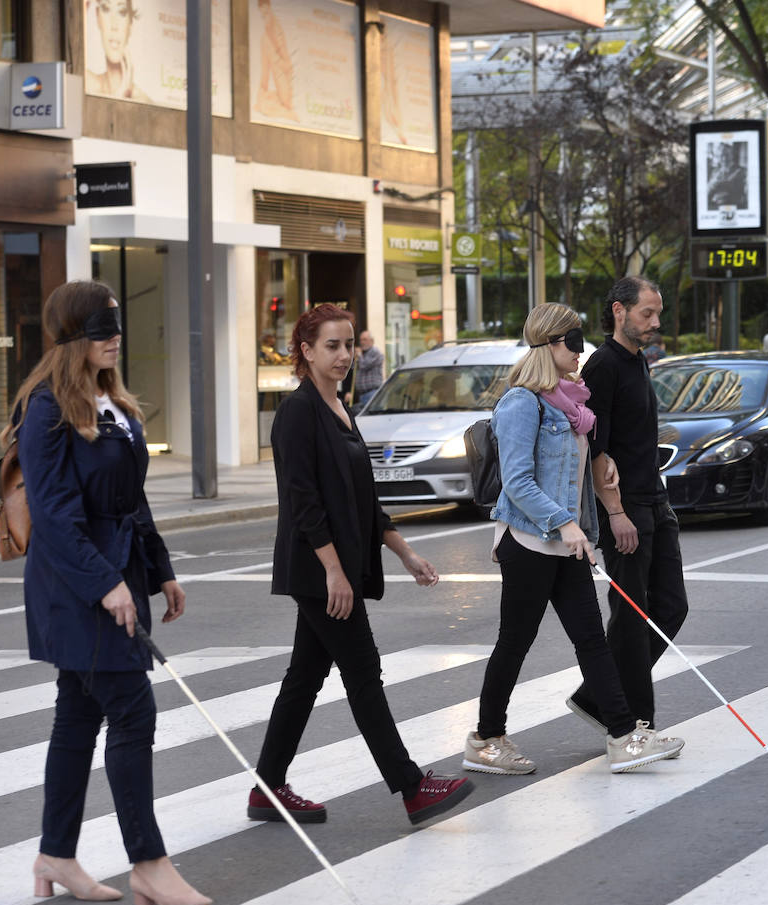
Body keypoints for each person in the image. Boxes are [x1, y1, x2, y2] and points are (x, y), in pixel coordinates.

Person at [9, 280, 209, 905]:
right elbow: (55, 513)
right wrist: (106, 584)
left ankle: (55, 855)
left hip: (117, 576)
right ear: (74, 336)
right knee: (131, 711)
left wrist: (161, 570)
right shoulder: (46, 407)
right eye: (102, 328)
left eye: (116, 325)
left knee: (78, 716)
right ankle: (148, 864)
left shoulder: (113, 403)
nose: (115, 336)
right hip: (76, 586)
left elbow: (132, 500)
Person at [249, 304, 474, 826]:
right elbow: (302, 501)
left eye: (349, 344)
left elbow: (364, 499)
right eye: (332, 345)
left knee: (304, 677)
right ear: (305, 350)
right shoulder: (298, 412)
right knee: (363, 671)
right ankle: (413, 786)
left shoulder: (342, 408)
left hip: (338, 566)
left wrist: (404, 552)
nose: (345, 355)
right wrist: (332, 570)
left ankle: (267, 787)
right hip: (318, 570)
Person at [466, 303, 684, 776]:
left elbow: (572, 476)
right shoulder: (522, 403)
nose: (580, 351)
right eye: (573, 341)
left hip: (567, 541)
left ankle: (624, 736)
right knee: (515, 642)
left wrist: (598, 479)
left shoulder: (573, 405)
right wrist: (565, 523)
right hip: (527, 541)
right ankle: (485, 738)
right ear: (549, 344)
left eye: (581, 341)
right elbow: (519, 483)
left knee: (591, 639)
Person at [568, 277, 689, 741]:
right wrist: (615, 513)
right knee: (633, 615)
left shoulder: (638, 362)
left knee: (671, 608)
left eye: (658, 313)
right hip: (627, 508)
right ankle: (636, 725)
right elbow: (596, 449)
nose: (656, 323)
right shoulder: (604, 366)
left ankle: (599, 696)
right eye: (647, 314)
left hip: (655, 502)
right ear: (619, 310)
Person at [86, 0, 152, 103]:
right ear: (98, 18)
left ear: (130, 25)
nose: (114, 26)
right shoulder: (87, 84)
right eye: (106, 9)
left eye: (122, 12)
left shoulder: (144, 102)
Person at [354, 329, 385, 407]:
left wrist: (360, 355)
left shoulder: (375, 352)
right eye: (361, 340)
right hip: (362, 394)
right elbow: (352, 369)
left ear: (372, 341)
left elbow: (365, 365)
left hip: (372, 394)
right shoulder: (363, 354)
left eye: (365, 340)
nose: (362, 342)